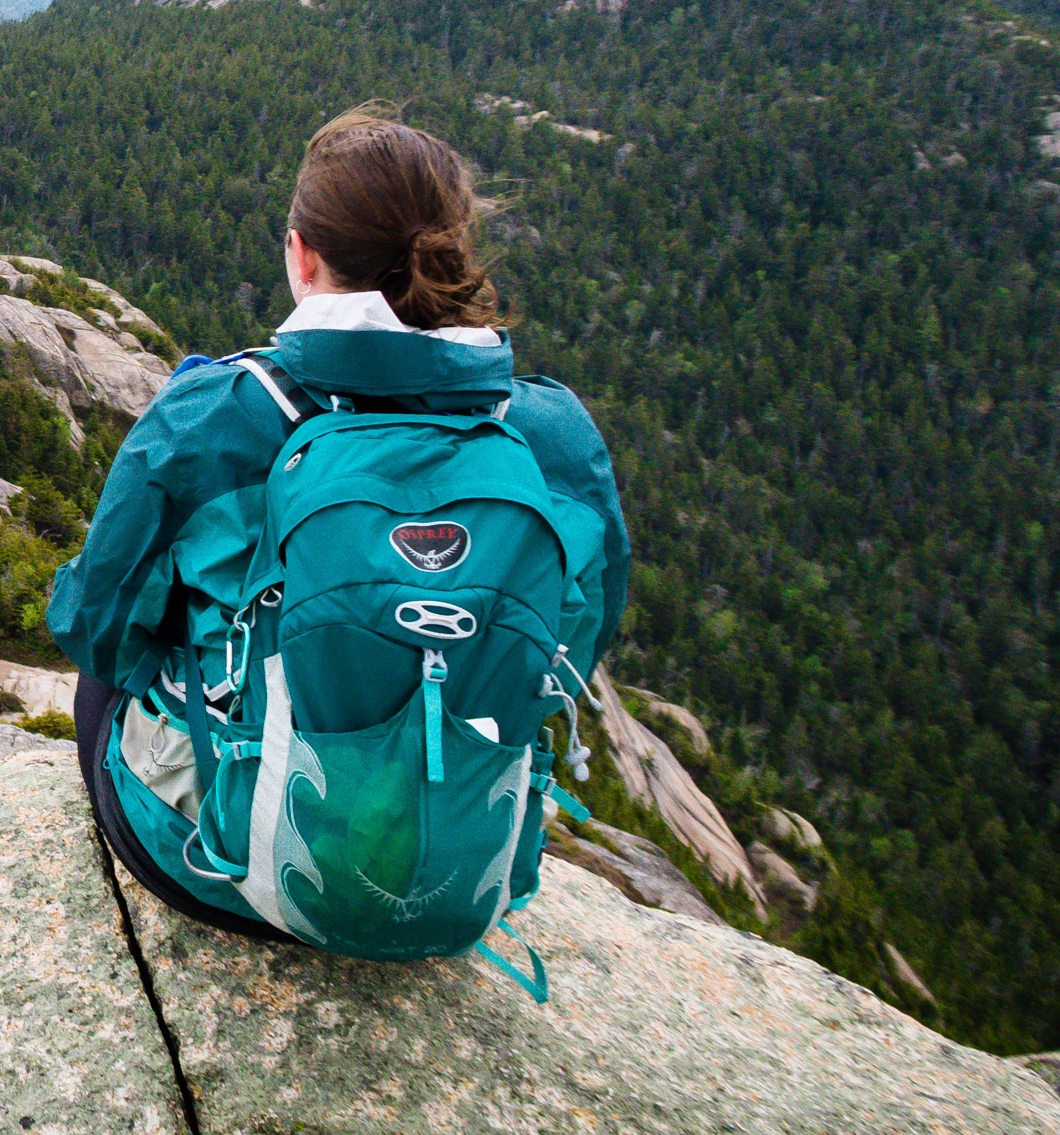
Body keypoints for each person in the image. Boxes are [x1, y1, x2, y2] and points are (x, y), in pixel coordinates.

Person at [44, 105, 628, 946]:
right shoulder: (552, 438)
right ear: (454, 251)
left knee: (101, 683)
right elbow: (580, 640)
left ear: (302, 256)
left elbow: (96, 630)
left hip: (221, 872)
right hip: (462, 878)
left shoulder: (217, 416)